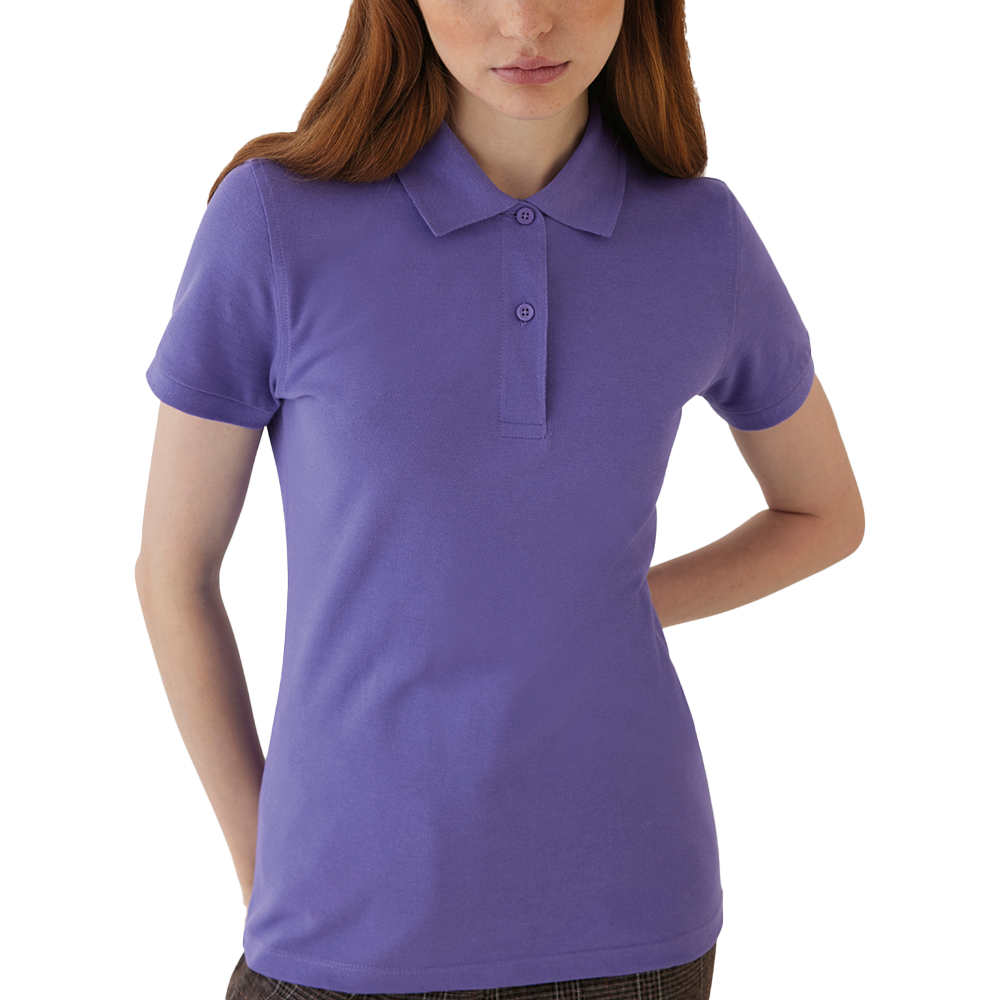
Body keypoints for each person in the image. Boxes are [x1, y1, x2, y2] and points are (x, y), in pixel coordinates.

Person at [135, 0, 864, 998]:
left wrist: (605, 602)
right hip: (340, 924)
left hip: (636, 923)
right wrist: (261, 863)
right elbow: (174, 572)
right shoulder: (273, 222)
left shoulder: (703, 238)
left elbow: (823, 512)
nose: (525, 21)